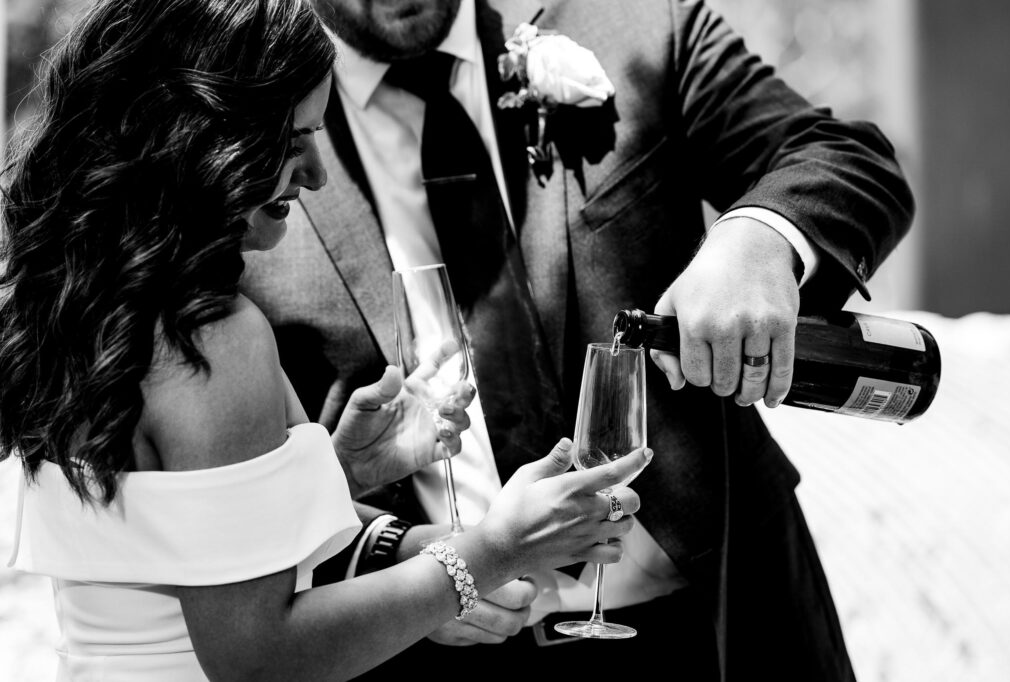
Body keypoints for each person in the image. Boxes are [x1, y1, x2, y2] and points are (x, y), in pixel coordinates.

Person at [241, 0, 916, 679]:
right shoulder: (245, 121)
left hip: (712, 622)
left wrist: (761, 236)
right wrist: (389, 554)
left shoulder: (631, 25)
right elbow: (218, 476)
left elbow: (847, 159)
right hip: (415, 647)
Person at [0, 1, 648, 680]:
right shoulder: (212, 340)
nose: (316, 172)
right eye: (294, 136)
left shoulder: (86, 312)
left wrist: (335, 475)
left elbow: (178, 542)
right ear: (200, 133)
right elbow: (259, 657)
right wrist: (495, 549)